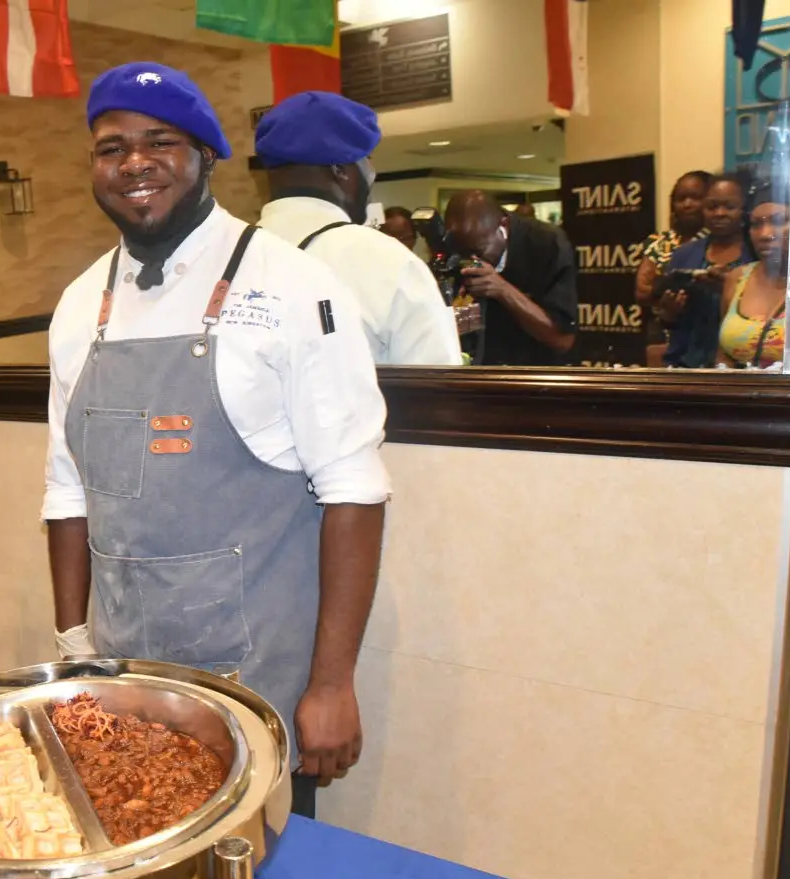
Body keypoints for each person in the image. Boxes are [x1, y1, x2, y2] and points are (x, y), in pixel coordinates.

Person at [43, 62, 389, 820]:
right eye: (111, 147)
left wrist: (331, 684)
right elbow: (67, 492)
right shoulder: (77, 307)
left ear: (206, 154)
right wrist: (74, 643)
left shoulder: (295, 286)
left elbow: (354, 490)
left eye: (160, 141)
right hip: (124, 678)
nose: (134, 162)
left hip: (254, 680)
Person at [254, 92, 460, 365]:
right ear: (342, 170)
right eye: (367, 161)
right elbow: (440, 391)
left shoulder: (226, 255)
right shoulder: (388, 262)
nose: (371, 174)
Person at [445, 189, 577, 365]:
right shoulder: (454, 246)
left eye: (479, 250)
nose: (472, 261)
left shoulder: (547, 244)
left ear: (503, 225)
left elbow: (562, 339)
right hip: (478, 372)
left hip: (535, 372)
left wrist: (502, 289)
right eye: (463, 253)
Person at [659, 176, 755, 368]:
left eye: (729, 207)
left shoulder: (756, 256)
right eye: (711, 207)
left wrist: (729, 291)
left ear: (744, 210)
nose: (719, 213)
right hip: (685, 365)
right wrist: (670, 310)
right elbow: (669, 321)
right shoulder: (683, 255)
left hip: (740, 369)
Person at [718, 181, 789, 369]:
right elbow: (723, 352)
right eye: (756, 224)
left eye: (778, 221)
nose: (765, 234)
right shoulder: (737, 277)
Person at [635, 170, 711, 311]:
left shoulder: (718, 241)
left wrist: (661, 283)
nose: (687, 204)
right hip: (661, 329)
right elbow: (642, 292)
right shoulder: (660, 242)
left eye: (696, 198)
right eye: (681, 199)